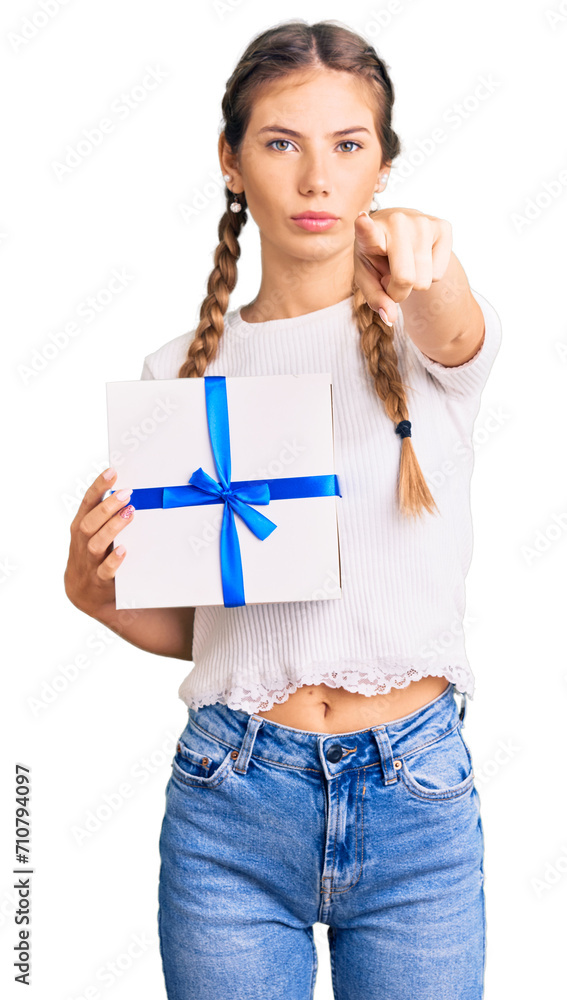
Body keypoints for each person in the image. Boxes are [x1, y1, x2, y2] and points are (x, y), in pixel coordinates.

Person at [64, 19, 502, 1000]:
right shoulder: (178, 377)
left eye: (348, 146)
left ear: (383, 166)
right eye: (280, 143)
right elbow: (214, 628)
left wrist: (428, 263)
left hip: (417, 798)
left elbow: (453, 316)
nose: (316, 180)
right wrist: (91, 592)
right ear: (230, 162)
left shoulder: (426, 333)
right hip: (231, 797)